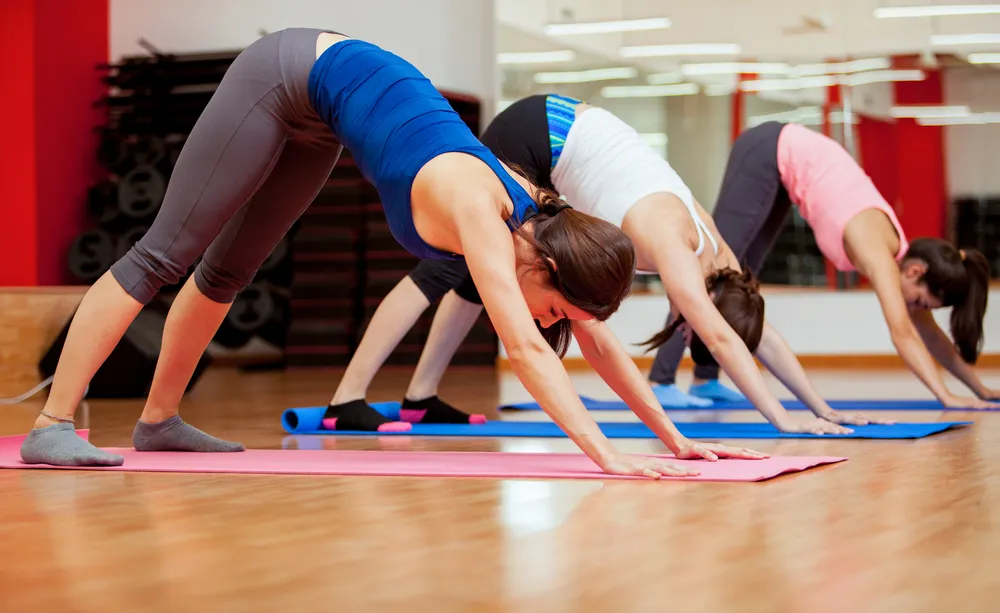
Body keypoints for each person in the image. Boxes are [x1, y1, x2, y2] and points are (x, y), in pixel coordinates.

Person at [20, 30, 763, 479]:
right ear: (548, 271)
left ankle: (159, 419)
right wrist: (606, 454)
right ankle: (53, 422)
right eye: (556, 310)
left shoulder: (543, 225)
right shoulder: (484, 211)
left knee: (228, 271)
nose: (552, 325)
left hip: (325, 116)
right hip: (285, 75)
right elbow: (526, 352)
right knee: (165, 253)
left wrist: (676, 439)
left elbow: (594, 340)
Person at [322, 94, 868, 433]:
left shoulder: (723, 263)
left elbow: (751, 331)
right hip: (542, 133)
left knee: (476, 271)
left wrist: (822, 407)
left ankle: (419, 397)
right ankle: (347, 397)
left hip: (568, 125)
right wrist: (783, 419)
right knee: (449, 263)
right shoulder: (679, 251)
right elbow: (723, 340)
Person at [649, 120, 997, 410]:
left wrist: (979, 389)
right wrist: (946, 397)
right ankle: (660, 381)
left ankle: (705, 378)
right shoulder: (878, 250)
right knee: (710, 274)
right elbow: (903, 333)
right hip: (768, 149)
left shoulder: (900, 259)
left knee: (741, 281)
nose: (915, 309)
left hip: (786, 173)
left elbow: (931, 337)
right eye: (920, 301)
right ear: (916, 271)